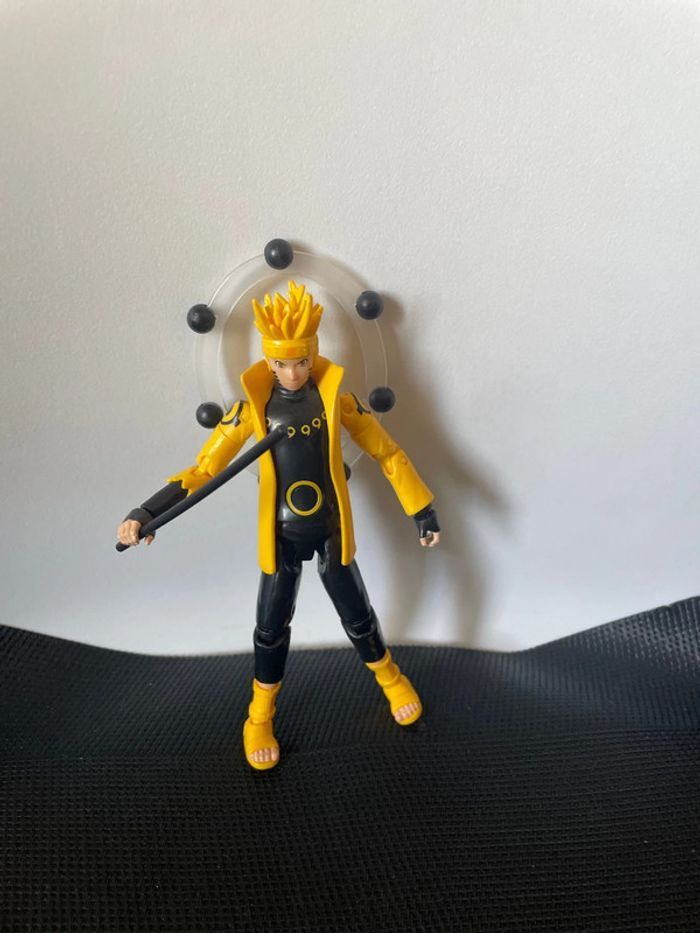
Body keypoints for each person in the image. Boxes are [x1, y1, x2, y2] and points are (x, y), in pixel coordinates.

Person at [117, 281, 441, 770]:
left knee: (357, 614)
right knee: (270, 628)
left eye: (301, 361)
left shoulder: (337, 400)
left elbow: (387, 453)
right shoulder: (251, 409)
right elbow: (204, 468)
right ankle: (259, 715)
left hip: (330, 529)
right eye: (281, 363)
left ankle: (391, 679)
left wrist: (421, 509)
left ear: (313, 355)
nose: (292, 373)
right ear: (268, 361)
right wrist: (146, 512)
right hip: (281, 536)